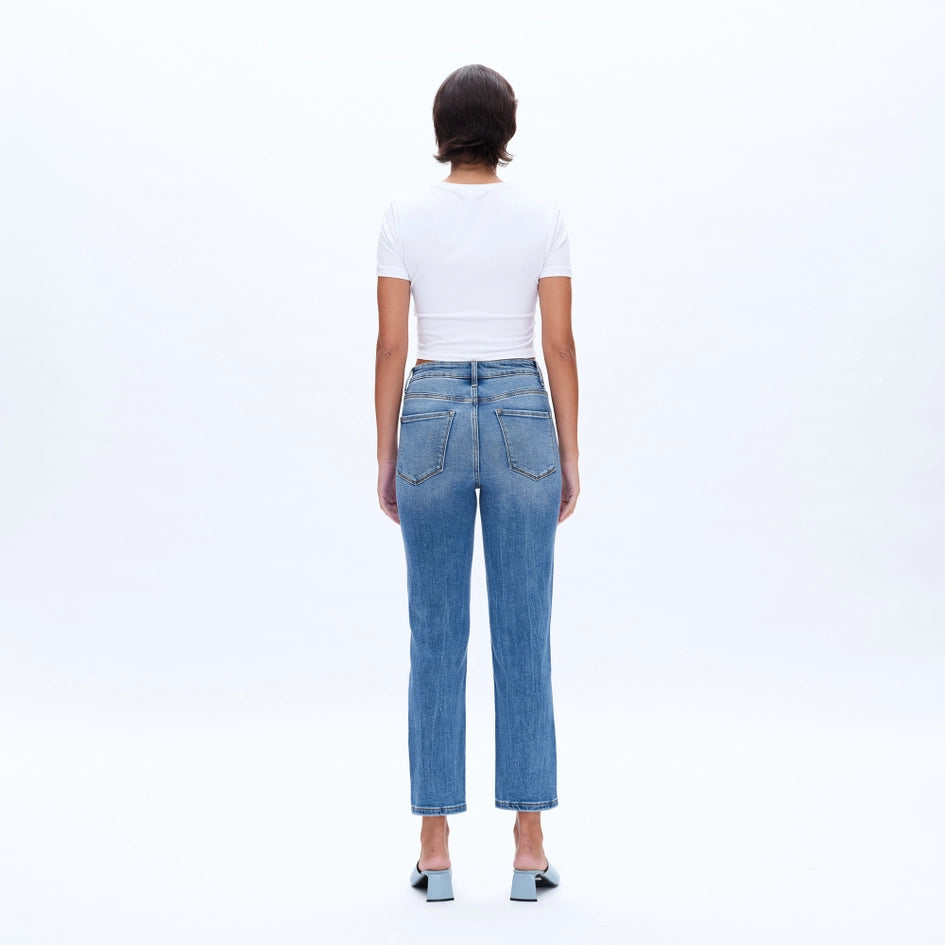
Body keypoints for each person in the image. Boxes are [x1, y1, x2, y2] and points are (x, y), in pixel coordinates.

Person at [374, 63, 579, 903]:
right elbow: (557, 343)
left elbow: (392, 344)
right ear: (506, 129)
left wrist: (384, 451)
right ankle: (528, 845)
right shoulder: (542, 215)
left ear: (441, 128)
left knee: (434, 632)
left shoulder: (403, 215)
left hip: (428, 408)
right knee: (524, 630)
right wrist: (570, 449)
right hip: (521, 409)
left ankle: (435, 846)